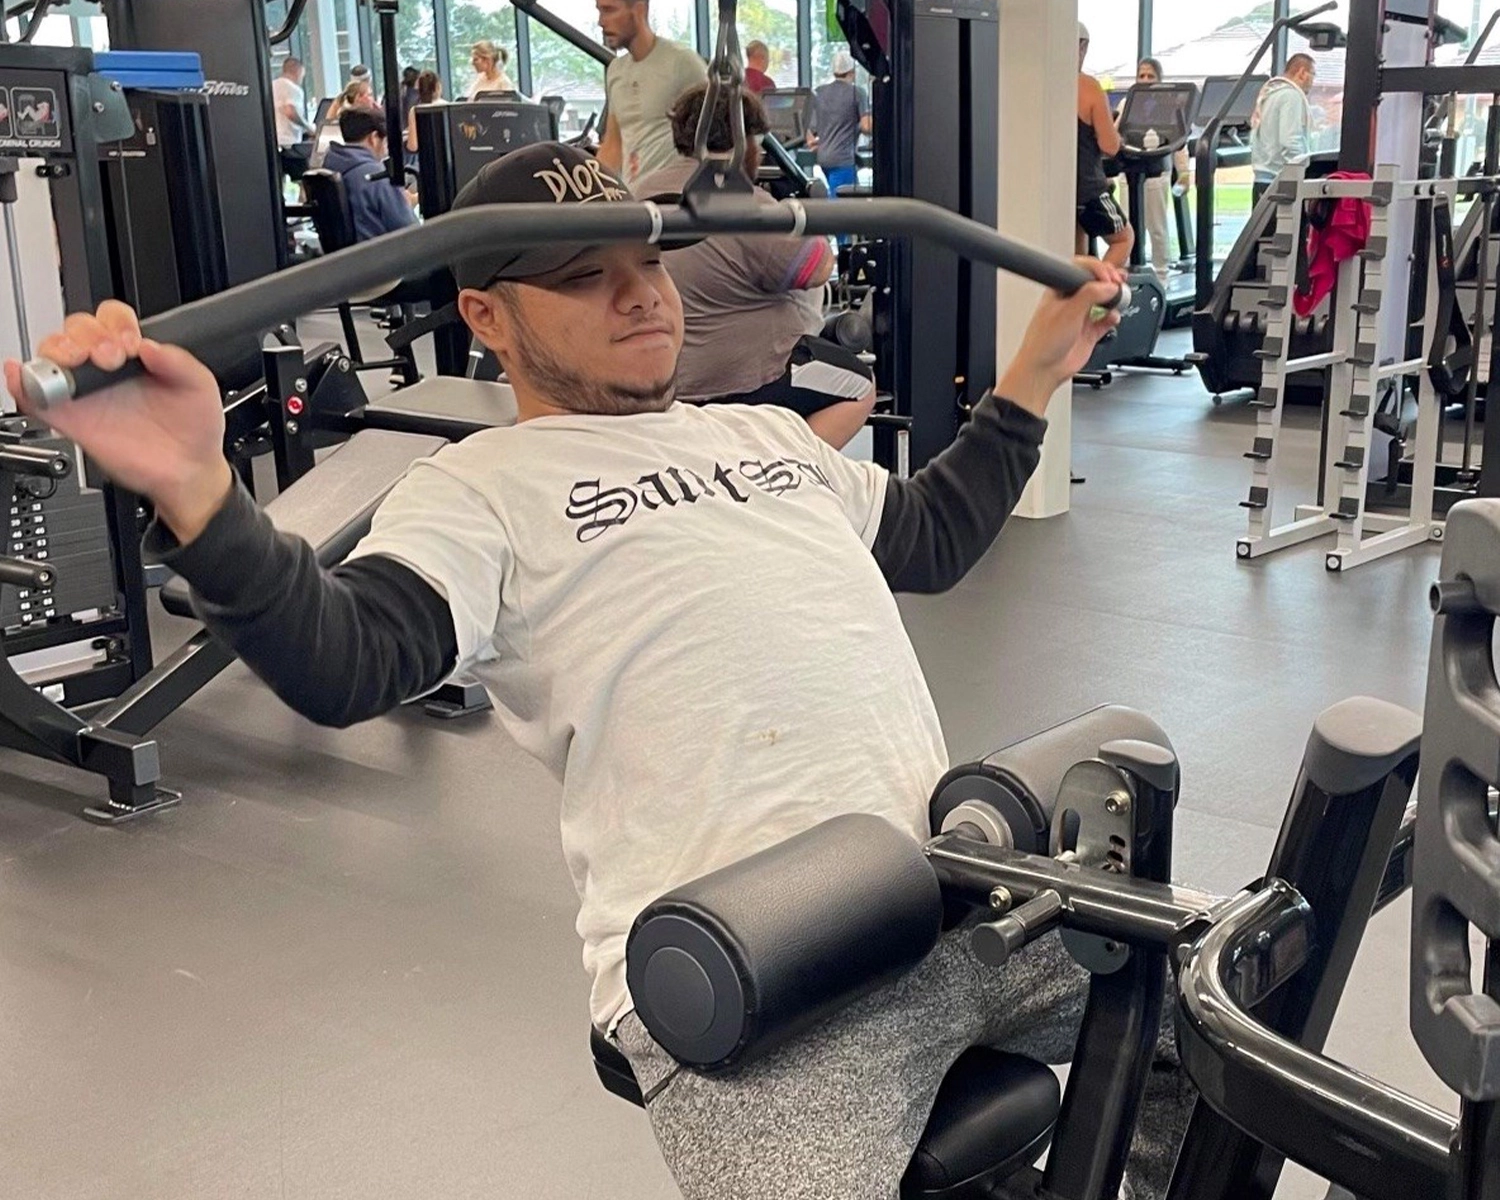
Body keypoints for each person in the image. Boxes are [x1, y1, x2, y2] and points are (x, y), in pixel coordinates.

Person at [7, 142, 1191, 1200]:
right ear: (486, 313)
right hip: (764, 984)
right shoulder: (477, 494)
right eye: (583, 276)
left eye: (652, 264)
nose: (642, 297)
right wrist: (204, 496)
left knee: (1225, 1031)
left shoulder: (765, 434)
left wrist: (1036, 370)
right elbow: (346, 659)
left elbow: (930, 536)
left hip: (953, 902)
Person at [635, 85, 873, 449]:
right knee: (859, 386)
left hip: (664, 381)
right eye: (755, 140)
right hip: (742, 383)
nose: (759, 150)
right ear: (742, 142)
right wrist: (813, 215)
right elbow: (820, 267)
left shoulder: (637, 192)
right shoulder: (741, 202)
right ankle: (775, 473)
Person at [595, 0, 707, 186]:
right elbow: (612, 144)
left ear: (639, 9)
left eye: (609, 10)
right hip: (634, 199)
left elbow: (718, 133)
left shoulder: (683, 62)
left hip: (673, 199)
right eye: (599, 11)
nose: (601, 21)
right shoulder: (616, 70)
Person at [1124, 57, 1190, 282]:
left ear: (1159, 79)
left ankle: (1161, 275)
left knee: (1157, 227)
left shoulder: (1168, 106)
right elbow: (1115, 133)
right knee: (1128, 228)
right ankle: (1129, 274)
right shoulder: (1126, 104)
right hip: (1128, 172)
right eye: (1141, 75)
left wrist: (1184, 173)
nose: (1144, 80)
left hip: (1157, 174)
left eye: (1150, 76)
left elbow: (1180, 142)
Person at [1076, 22, 1132, 268]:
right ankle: (1098, 302)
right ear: (1082, 46)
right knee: (1123, 238)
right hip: (1087, 188)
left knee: (1076, 254)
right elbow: (1110, 146)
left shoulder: (1042, 82)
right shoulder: (1088, 86)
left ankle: (1077, 304)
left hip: (1059, 191)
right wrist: (1118, 136)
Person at [322, 106, 418, 242]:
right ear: (373, 138)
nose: (386, 150)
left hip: (349, 258)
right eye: (385, 142)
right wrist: (406, 204)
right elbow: (410, 230)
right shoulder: (378, 176)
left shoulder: (331, 167)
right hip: (382, 256)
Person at [1250, 53, 1316, 206]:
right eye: (1313, 74)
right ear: (1302, 73)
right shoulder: (1291, 96)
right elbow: (1290, 141)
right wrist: (1305, 173)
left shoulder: (1270, 94)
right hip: (1278, 182)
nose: (1313, 81)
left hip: (1262, 180)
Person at [808, 51, 869, 198]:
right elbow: (867, 126)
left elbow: (808, 129)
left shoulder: (820, 92)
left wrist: (813, 143)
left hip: (823, 160)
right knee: (842, 208)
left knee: (852, 201)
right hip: (843, 160)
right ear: (852, 72)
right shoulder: (857, 92)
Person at [272, 56, 313, 150]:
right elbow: (290, 112)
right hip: (289, 143)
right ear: (298, 72)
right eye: (302, 77)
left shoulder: (272, 86)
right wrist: (308, 128)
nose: (301, 81)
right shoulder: (293, 88)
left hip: (275, 141)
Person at [405, 70, 443, 156]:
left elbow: (413, 146)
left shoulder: (414, 110)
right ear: (437, 87)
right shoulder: (447, 106)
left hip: (424, 161)